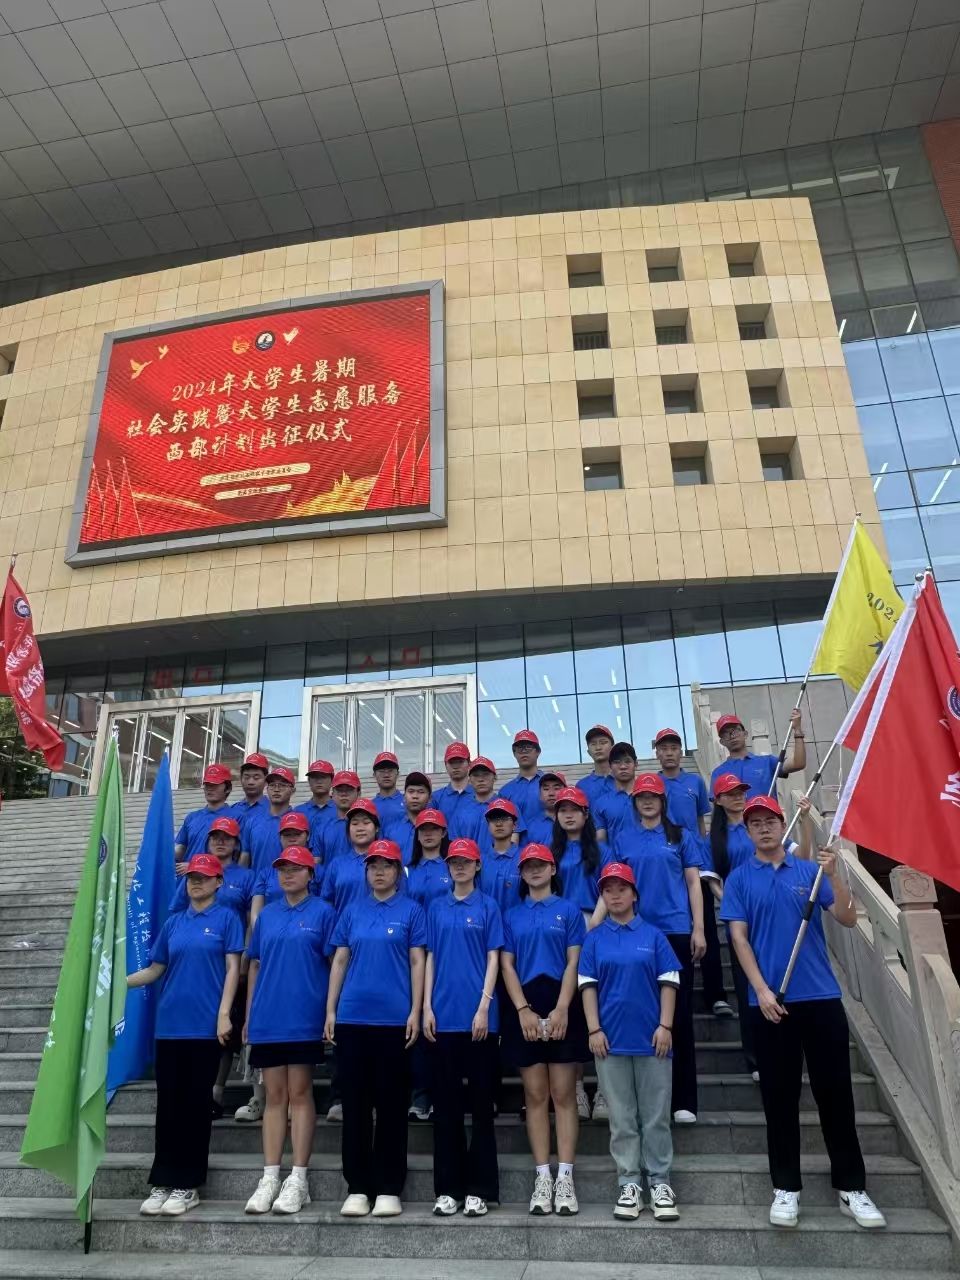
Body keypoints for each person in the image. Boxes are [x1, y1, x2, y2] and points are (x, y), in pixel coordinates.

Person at [719, 795, 886, 1231]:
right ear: (748, 832)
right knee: (779, 1099)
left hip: (820, 998)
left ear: (783, 825)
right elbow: (739, 939)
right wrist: (760, 990)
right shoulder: (739, 879)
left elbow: (847, 918)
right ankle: (786, 1188)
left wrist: (834, 876)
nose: (764, 828)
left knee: (836, 1096)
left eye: (770, 821)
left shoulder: (809, 872)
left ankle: (851, 1187)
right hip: (770, 1004)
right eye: (755, 823)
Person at [129, 853, 243, 1218]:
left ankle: (188, 1183)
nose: (196, 882)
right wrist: (117, 983)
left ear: (218, 882)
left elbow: (232, 969)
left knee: (195, 1106)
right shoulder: (174, 922)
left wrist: (224, 1014)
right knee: (169, 1106)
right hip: (169, 1027)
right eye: (192, 877)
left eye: (204, 877)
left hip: (204, 1027)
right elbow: (154, 969)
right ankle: (163, 1180)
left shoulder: (227, 918)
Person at [325, 838, 427, 1218]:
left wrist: (416, 1010)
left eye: (386, 865)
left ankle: (388, 1186)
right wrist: (331, 1010)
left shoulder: (412, 911)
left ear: (398, 871)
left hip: (394, 1021)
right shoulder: (352, 911)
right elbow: (339, 961)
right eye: (373, 865)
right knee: (355, 1106)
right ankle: (357, 1186)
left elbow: (417, 962)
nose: (379, 871)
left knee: (391, 1106)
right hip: (353, 1018)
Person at [578, 861, 681, 1222]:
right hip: (610, 1043)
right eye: (608, 890)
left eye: (622, 888)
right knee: (622, 1119)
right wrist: (594, 1029)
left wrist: (665, 1026)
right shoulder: (594, 939)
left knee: (655, 1117)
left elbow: (669, 982)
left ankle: (660, 1182)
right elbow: (587, 987)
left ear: (634, 894)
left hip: (653, 1041)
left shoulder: (654, 936)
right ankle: (629, 1183)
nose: (615, 895)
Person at [243, 843, 336, 1216]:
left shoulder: (324, 912)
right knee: (274, 1096)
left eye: (296, 869)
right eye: (283, 869)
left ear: (310, 874)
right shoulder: (267, 915)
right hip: (268, 1016)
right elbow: (255, 966)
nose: (288, 874)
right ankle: (269, 1176)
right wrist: (249, 1015)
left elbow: (335, 964)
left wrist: (329, 1012)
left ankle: (298, 1177)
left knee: (299, 1093)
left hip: (304, 1016)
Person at [608, 773, 705, 1124]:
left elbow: (693, 883)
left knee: (678, 1015)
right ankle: (645, 1102)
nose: (647, 801)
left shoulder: (680, 835)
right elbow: (613, 888)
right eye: (641, 797)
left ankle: (684, 1099)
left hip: (675, 930)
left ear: (663, 801)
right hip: (636, 931)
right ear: (635, 802)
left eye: (653, 796)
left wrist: (699, 928)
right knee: (641, 1012)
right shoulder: (624, 838)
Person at [500, 843, 589, 1216]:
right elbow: (507, 965)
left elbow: (574, 962)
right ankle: (543, 1176)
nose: (534, 870)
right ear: (521, 874)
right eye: (528, 866)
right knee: (535, 1094)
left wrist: (563, 1008)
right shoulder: (511, 914)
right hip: (525, 1002)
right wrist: (522, 1010)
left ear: (553, 869)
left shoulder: (568, 910)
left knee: (563, 1093)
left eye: (541, 865)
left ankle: (565, 1176)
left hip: (561, 1001)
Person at [708, 775, 814, 1081]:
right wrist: (734, 906)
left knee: (783, 980)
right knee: (748, 991)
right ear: (718, 800)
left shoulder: (762, 825)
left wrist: (806, 823)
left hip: (774, 913)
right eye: (730, 793)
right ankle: (755, 1058)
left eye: (740, 791)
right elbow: (713, 878)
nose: (737, 797)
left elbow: (802, 858)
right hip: (741, 918)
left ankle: (794, 1053)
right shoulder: (715, 837)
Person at [424, 837, 504, 1218]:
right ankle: (449, 1189)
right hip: (443, 1018)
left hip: (480, 1019)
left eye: (466, 861)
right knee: (446, 1108)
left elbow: (493, 958)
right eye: (454, 861)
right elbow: (430, 958)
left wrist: (484, 1006)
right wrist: (426, 1006)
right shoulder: (436, 907)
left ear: (477, 865)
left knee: (481, 1107)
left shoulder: (488, 906)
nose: (459, 866)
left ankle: (480, 1188)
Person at [168, 816, 254, 1120]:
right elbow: (176, 913)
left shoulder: (245, 876)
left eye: (227, 838)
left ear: (236, 843)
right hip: (197, 958)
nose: (220, 842)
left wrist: (244, 959)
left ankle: (215, 1091)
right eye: (216, 837)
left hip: (230, 958)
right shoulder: (193, 876)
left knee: (225, 1029)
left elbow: (250, 920)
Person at [655, 727, 731, 1019]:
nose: (669, 753)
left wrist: (703, 856)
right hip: (666, 863)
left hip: (695, 862)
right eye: (664, 748)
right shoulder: (652, 785)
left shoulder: (695, 782)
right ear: (657, 753)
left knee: (707, 926)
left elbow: (701, 823)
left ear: (680, 751)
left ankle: (716, 995)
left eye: (674, 748)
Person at [550, 785, 609, 1121]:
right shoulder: (551, 852)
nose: (569, 815)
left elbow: (608, 889)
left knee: (597, 1003)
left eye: (575, 809)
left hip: (592, 924)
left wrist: (594, 925)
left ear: (586, 814)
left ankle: (604, 1089)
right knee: (569, 1005)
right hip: (558, 929)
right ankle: (575, 1088)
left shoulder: (601, 850)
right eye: (563, 810)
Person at [710, 710, 806, 800]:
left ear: (745, 734)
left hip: (767, 812)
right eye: (726, 734)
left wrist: (797, 729)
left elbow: (798, 764)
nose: (732, 736)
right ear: (722, 742)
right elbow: (717, 806)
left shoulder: (767, 762)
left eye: (735, 731)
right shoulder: (718, 773)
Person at [321, 798, 383, 914]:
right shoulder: (337, 865)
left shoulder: (388, 863)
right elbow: (326, 904)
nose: (360, 828)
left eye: (366, 822)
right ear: (348, 830)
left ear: (377, 828)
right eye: (354, 823)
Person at [242, 765, 298, 876]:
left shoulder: (298, 822)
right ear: (266, 789)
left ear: (293, 790)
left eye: (282, 785)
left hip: (287, 884)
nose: (276, 789)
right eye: (272, 785)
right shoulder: (252, 821)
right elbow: (245, 856)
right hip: (257, 884)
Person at [173, 764, 233, 864]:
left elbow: (238, 854)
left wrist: (195, 865)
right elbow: (181, 848)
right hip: (187, 873)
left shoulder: (237, 817)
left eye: (215, 785)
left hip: (217, 874)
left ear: (228, 788)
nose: (210, 788)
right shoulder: (192, 817)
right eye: (207, 785)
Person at [479, 798, 523, 912]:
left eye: (504, 818)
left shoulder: (524, 859)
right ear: (488, 825)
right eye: (494, 819)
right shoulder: (479, 861)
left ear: (515, 825)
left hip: (516, 922)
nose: (499, 824)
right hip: (486, 921)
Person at [382, 771, 433, 864]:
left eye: (421, 792)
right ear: (404, 797)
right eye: (411, 791)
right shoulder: (391, 831)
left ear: (430, 798)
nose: (415, 796)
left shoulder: (437, 830)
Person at [593, 742, 638, 845]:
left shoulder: (650, 798)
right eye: (617, 762)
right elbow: (600, 840)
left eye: (627, 761)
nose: (623, 766)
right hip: (615, 855)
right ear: (610, 766)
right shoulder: (601, 803)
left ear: (636, 764)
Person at [499, 730, 544, 828]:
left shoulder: (551, 785)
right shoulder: (505, 792)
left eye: (528, 747)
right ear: (514, 754)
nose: (524, 751)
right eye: (520, 748)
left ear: (538, 752)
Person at [318, 770, 363, 864]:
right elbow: (317, 861)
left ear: (358, 793)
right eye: (339, 790)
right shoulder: (322, 826)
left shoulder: (366, 826)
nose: (344, 794)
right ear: (332, 794)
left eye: (349, 789)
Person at [430, 742, 475, 832]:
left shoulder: (480, 796)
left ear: (469, 763)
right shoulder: (435, 798)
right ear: (445, 765)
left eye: (460, 762)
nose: (456, 767)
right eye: (452, 762)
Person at [455, 757, 500, 840]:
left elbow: (513, 841)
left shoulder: (507, 807)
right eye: (476, 775)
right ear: (469, 779)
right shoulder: (461, 810)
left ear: (494, 777)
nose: (480, 779)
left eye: (485, 774)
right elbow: (456, 843)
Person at [296, 760, 337, 841]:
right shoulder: (298, 812)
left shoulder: (341, 811)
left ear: (332, 780)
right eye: (315, 777)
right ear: (309, 781)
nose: (319, 781)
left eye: (323, 777)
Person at [523, 770, 567, 845]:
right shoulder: (531, 826)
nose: (551, 793)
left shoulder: (573, 821)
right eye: (546, 789)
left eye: (556, 788)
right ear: (540, 794)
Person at [578, 724, 615, 810]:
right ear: (588, 752)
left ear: (613, 748)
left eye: (603, 742)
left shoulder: (624, 780)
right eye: (593, 744)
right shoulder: (581, 786)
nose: (598, 747)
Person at [230, 752, 271, 823]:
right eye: (246, 777)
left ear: (266, 780)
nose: (250, 782)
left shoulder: (272, 810)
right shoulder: (233, 810)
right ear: (241, 779)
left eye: (256, 778)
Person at [371, 751, 405, 829]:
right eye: (381, 771)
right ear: (374, 775)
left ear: (398, 774)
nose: (386, 775)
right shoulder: (370, 806)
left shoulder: (408, 803)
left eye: (390, 770)